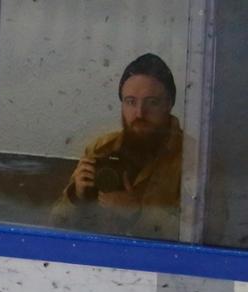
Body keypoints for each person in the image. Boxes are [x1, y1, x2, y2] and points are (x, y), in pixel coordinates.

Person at [49, 53, 185, 241]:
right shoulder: (100, 148)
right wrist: (77, 196)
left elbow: (202, 234)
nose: (139, 113)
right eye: (130, 102)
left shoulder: (193, 159)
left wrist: (138, 213)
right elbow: (56, 225)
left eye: (152, 102)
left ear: (168, 104)